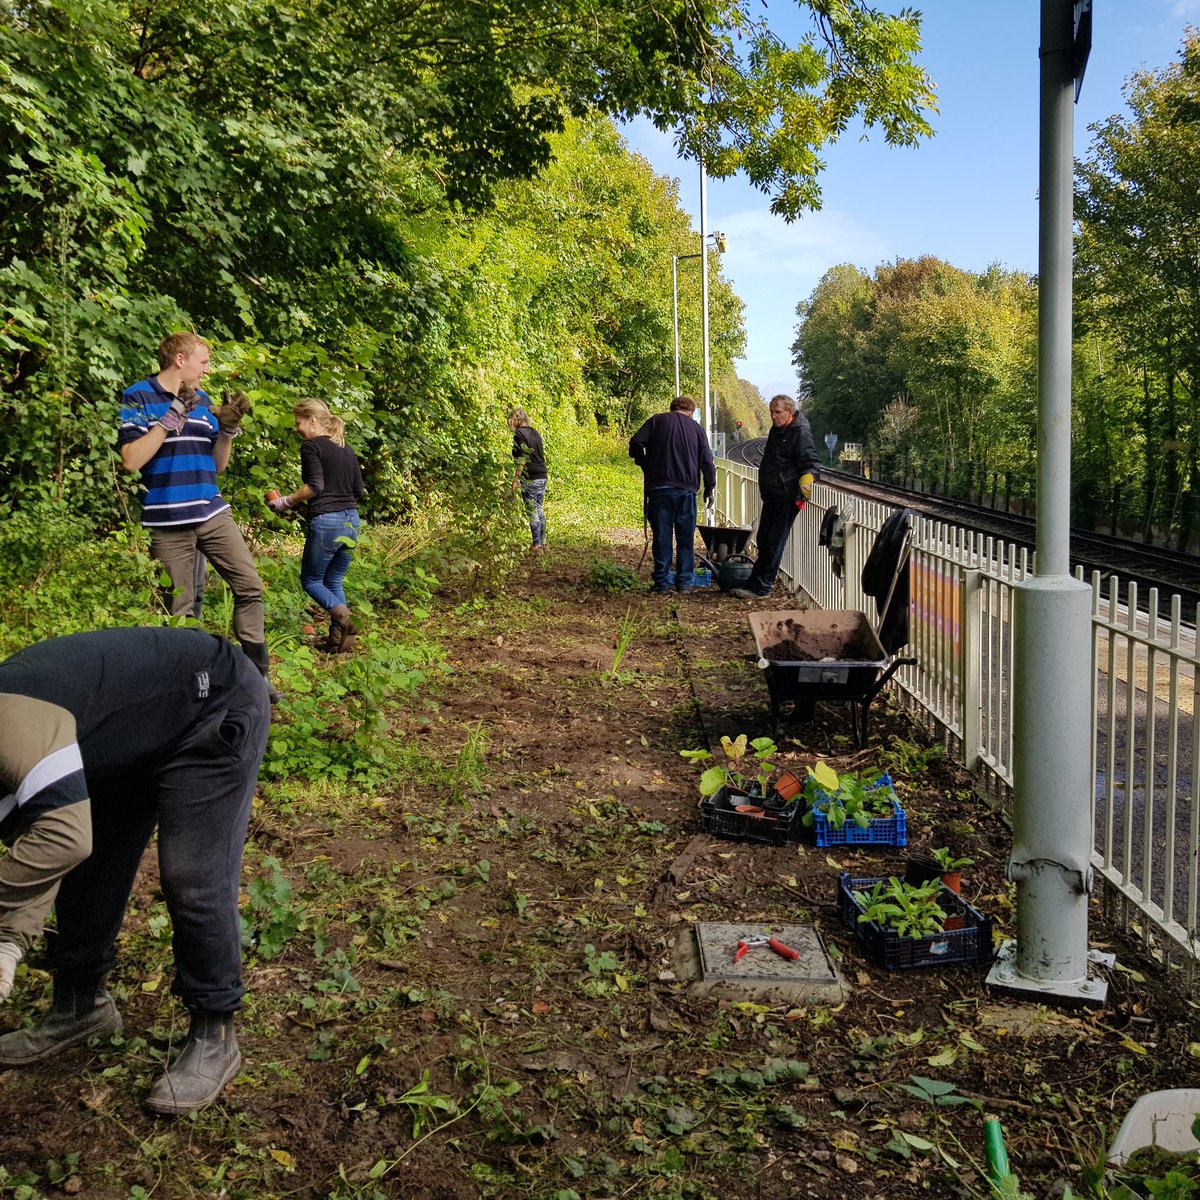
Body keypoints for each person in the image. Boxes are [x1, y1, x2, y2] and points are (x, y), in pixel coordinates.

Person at [0, 626, 271, 1115]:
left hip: (212, 706)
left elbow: (62, 836)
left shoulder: (13, 729)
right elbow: (45, 850)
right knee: (93, 860)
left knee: (192, 876)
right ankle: (81, 1009)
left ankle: (215, 1032)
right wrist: (11, 939)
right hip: (130, 732)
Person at [118, 332, 278, 700]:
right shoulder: (138, 395)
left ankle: (258, 674)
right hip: (168, 520)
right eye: (203, 362)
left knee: (250, 586)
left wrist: (228, 430)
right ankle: (192, 687)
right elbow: (131, 461)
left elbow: (218, 466)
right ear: (179, 360)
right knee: (180, 609)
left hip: (211, 511)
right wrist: (171, 417)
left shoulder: (204, 399)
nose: (207, 370)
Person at [268, 399, 365, 653]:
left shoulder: (311, 446)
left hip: (328, 522)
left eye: (298, 423)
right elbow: (359, 490)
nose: (297, 428)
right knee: (334, 579)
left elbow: (315, 486)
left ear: (312, 420)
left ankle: (344, 617)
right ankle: (339, 641)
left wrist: (285, 502)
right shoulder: (347, 449)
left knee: (311, 580)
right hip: (352, 521)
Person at [728, 394, 820, 599]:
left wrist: (807, 479)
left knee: (773, 543)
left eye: (778, 412)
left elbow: (811, 463)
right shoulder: (779, 429)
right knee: (764, 539)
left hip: (787, 496)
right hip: (773, 495)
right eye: (771, 412)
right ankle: (755, 583)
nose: (773, 416)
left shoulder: (800, 432)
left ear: (790, 412)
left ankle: (761, 587)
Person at [628, 395, 716, 593]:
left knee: (662, 536)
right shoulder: (696, 429)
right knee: (685, 538)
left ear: (672, 408)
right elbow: (707, 462)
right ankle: (684, 582)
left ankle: (662, 582)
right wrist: (709, 488)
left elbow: (635, 443)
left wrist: (643, 462)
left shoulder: (657, 421)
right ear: (691, 413)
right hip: (686, 490)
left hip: (659, 489)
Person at [507, 408, 548, 551]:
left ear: (515, 420)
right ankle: (543, 541)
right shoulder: (535, 432)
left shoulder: (519, 434)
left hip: (529, 476)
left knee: (532, 510)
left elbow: (523, 457)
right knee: (539, 508)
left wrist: (516, 478)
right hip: (542, 474)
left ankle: (536, 544)